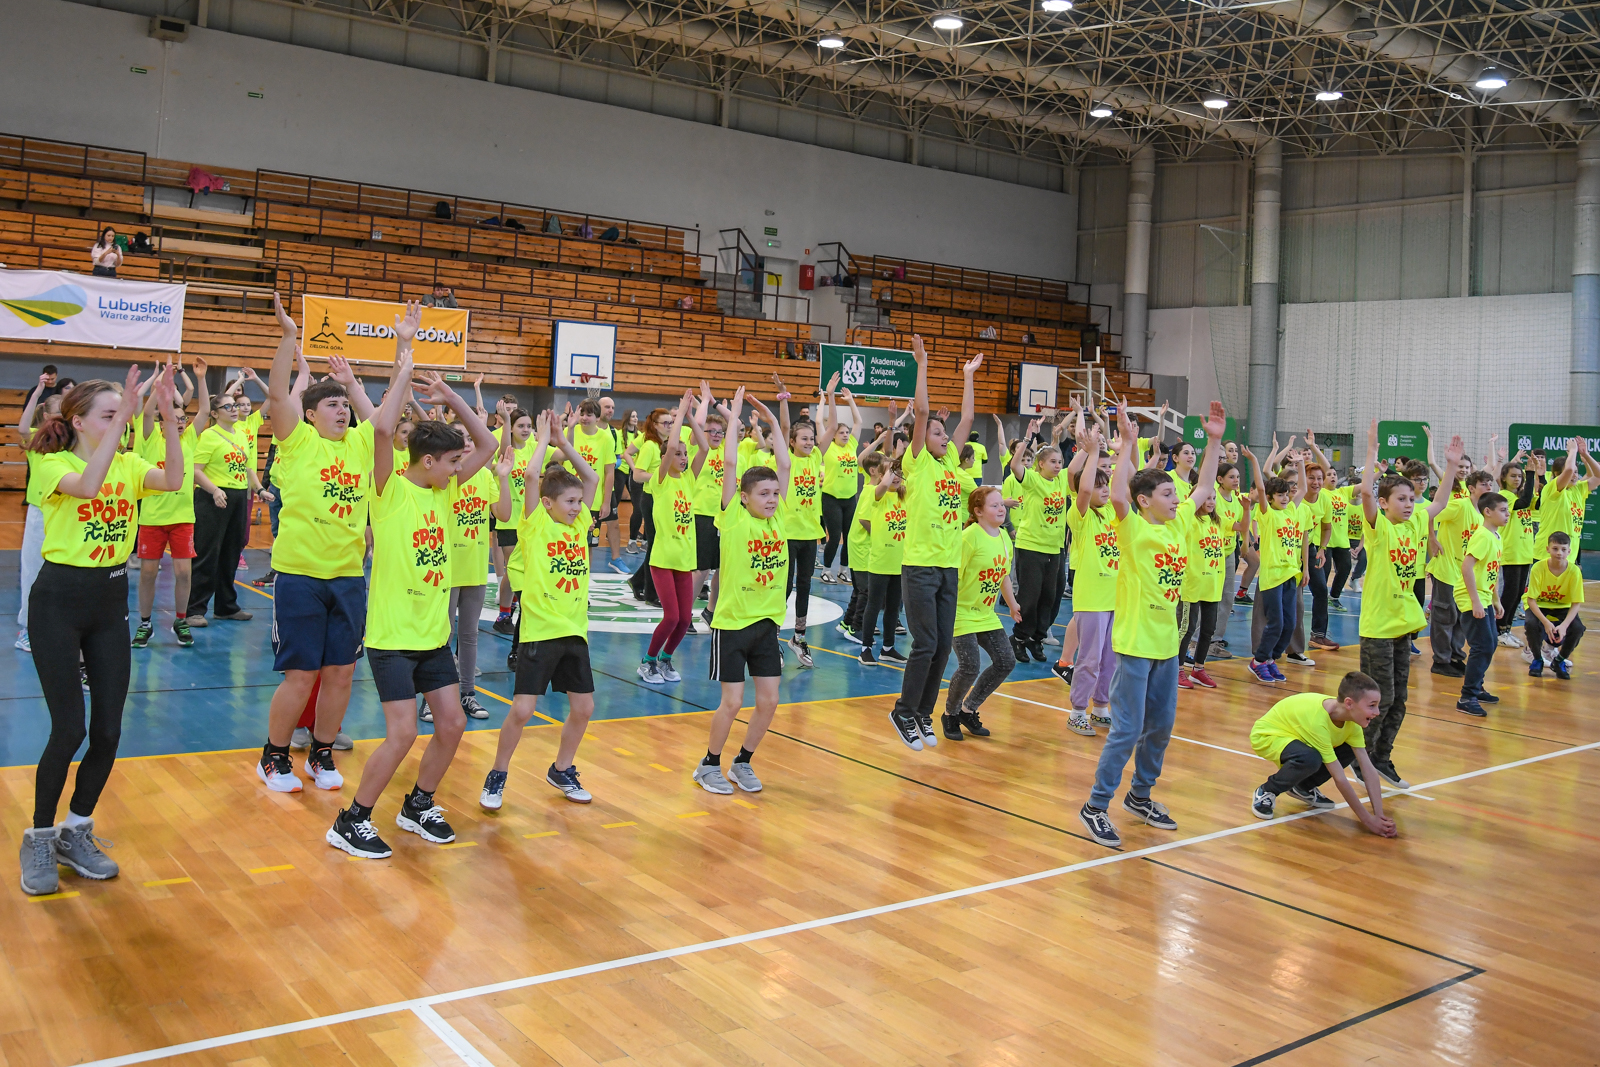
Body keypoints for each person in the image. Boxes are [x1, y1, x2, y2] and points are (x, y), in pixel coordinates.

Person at [18, 364, 186, 896]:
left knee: (109, 731)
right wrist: (126, 416)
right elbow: (89, 488)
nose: (122, 421)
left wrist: (168, 418)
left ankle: (76, 830)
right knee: (69, 729)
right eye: (110, 415)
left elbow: (174, 480)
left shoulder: (130, 464)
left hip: (109, 603)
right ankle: (39, 836)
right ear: (79, 421)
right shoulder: (51, 463)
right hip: (58, 603)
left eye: (123, 414)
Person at [324, 359, 498, 857]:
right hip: (393, 639)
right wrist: (403, 366)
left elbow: (486, 444)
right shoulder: (390, 491)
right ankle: (351, 820)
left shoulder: (445, 493)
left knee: (452, 724)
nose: (459, 469)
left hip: (431, 637)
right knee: (401, 734)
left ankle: (418, 803)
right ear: (427, 461)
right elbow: (382, 429)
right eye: (452, 462)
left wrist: (450, 393)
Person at [254, 294, 392, 795]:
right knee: (301, 675)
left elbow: (383, 420)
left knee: (341, 673)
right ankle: (273, 757)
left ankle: (322, 751)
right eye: (330, 404)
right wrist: (289, 337)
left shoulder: (359, 443)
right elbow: (276, 394)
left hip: (348, 577)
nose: (341, 410)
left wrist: (354, 384)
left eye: (344, 405)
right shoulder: (298, 442)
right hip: (300, 576)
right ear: (309, 414)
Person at [1077, 402, 1224, 849]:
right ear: (1146, 501)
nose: (1177, 499)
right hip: (1136, 645)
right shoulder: (1134, 529)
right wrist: (1124, 444)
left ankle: (1139, 796)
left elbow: (1204, 485)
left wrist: (1214, 441)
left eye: (1175, 495)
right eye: (1166, 494)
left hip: (1166, 647)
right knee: (1127, 729)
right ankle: (1095, 806)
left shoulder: (1178, 526)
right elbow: (1119, 496)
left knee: (1160, 728)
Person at [479, 410, 601, 810]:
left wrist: (565, 444)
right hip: (540, 632)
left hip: (574, 630)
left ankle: (562, 768)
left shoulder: (578, 524)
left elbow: (592, 479)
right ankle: (498, 773)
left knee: (584, 707)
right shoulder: (535, 525)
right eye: (569, 502)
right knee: (523, 709)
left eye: (579, 502)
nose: (577, 507)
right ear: (547, 503)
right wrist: (545, 439)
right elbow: (532, 476)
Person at [1356, 419, 1463, 790]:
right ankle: (1360, 761)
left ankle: (1380, 759)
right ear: (1384, 503)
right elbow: (1366, 493)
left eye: (1411, 499)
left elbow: (1441, 502)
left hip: (1403, 625)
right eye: (1400, 499)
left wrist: (1451, 466)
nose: (1408, 504)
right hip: (1377, 628)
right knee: (1378, 700)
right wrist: (1372, 449)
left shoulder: (1417, 522)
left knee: (1399, 700)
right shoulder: (1379, 528)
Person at [693, 387, 789, 795]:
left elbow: (784, 463)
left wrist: (772, 421)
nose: (772, 499)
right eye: (763, 494)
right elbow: (730, 461)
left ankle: (743, 761)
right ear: (744, 498)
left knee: (769, 701)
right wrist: (733, 417)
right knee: (732, 703)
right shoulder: (733, 517)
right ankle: (708, 764)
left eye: (775, 493)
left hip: (766, 623)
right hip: (732, 624)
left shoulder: (779, 518)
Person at [888, 338, 982, 751]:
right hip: (921, 566)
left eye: (946, 433)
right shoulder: (919, 463)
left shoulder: (949, 465)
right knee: (925, 643)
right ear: (921, 438)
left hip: (948, 566)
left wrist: (967, 377)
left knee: (944, 646)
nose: (945, 436)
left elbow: (968, 417)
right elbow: (923, 412)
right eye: (937, 433)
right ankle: (903, 711)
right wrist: (922, 364)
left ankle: (924, 713)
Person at [1247, 672, 1397, 838]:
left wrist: (1379, 816)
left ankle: (1302, 787)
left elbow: (1367, 769)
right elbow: (1340, 779)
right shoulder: (1319, 722)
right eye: (1372, 705)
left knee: (1348, 748)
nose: (1377, 712)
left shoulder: (1351, 722)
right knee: (1309, 758)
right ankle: (1267, 790)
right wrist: (1368, 821)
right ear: (1349, 703)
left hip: (1299, 737)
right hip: (1268, 734)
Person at [132, 358, 211, 649]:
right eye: (174, 417)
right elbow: (148, 412)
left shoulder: (188, 440)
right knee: (148, 574)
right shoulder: (149, 439)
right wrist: (161, 385)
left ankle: (180, 620)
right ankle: (145, 623)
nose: (179, 422)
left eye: (182, 419)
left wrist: (200, 378)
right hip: (152, 518)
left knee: (183, 573)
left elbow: (205, 411)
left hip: (182, 518)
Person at [638, 390, 709, 684]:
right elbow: (669, 451)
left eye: (684, 454)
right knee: (671, 617)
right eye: (677, 453)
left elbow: (703, 447)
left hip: (684, 558)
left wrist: (690, 416)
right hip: (663, 558)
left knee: (684, 618)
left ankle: (666, 659)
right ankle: (648, 661)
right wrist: (678, 417)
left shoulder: (689, 479)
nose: (682, 457)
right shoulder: (661, 479)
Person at [443, 397, 505, 722]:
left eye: (471, 438)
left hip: (475, 569)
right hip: (446, 569)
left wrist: (503, 476)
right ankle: (434, 700)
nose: (468, 443)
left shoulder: (485, 477)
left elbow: (503, 514)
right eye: (461, 438)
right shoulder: (445, 479)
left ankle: (467, 693)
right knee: (442, 636)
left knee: (469, 636)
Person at [942, 486, 1020, 740]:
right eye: (994, 505)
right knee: (969, 666)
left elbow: (1004, 574)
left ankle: (968, 709)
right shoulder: (968, 538)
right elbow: (952, 579)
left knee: (1006, 661)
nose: (1001, 509)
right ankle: (950, 714)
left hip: (986, 614)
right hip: (961, 613)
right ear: (978, 512)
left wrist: (1012, 604)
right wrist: (945, 612)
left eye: (1002, 505)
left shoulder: (1004, 537)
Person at [772, 372, 836, 667]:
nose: (810, 442)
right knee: (783, 587)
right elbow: (785, 426)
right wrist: (783, 395)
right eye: (804, 439)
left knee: (805, 586)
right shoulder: (786, 459)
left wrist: (831, 395)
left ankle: (798, 637)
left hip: (810, 534)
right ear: (792, 442)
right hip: (787, 533)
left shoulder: (815, 458)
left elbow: (831, 427)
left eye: (812, 438)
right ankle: (773, 636)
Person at [1061, 417, 1118, 736]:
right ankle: (1077, 711)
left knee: (1110, 659)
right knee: (1090, 659)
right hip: (1092, 598)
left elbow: (1126, 479)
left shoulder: (1112, 512)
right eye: (1099, 486)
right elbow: (1081, 486)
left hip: (1115, 598)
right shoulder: (1080, 515)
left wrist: (1124, 443)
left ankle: (1100, 707)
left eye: (1105, 484)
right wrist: (1093, 452)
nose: (1104, 489)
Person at [186, 389, 259, 626]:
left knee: (231, 553)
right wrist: (215, 490)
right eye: (227, 407)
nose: (234, 410)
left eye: (234, 406)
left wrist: (259, 489)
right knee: (207, 553)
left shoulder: (241, 434)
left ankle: (226, 606)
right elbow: (196, 470)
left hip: (238, 497)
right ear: (215, 414)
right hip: (213, 498)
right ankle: (194, 609)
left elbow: (247, 468)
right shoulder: (209, 436)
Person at [1245, 439, 1308, 682]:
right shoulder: (1268, 515)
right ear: (1271, 498)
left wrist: (1300, 464)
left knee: (1289, 623)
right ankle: (1258, 661)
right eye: (1279, 495)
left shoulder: (1291, 510)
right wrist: (1254, 461)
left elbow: (1302, 490)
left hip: (1291, 574)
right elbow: (1261, 490)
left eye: (1286, 494)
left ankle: (1270, 658)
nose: (1284, 498)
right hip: (1272, 576)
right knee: (1277, 623)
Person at [1008, 415, 1069, 663]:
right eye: (1053, 462)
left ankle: (1037, 638)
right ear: (1040, 464)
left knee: (1049, 598)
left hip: (1054, 548)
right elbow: (1014, 465)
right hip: (1031, 546)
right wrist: (1027, 438)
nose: (1058, 466)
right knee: (1030, 598)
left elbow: (1079, 463)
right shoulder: (1033, 480)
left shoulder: (1062, 481)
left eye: (1060, 462)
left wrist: (1090, 443)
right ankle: (1019, 638)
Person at [1428, 468, 1496, 678]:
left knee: (1461, 618)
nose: (1489, 487)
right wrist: (1432, 538)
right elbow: (1430, 513)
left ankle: (1456, 657)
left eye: (1490, 484)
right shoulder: (1459, 505)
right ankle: (1441, 660)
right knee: (1444, 617)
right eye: (1484, 484)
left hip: (1466, 575)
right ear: (1471, 488)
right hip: (1447, 569)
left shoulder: (1485, 513)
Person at [1455, 490, 1508, 716]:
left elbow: (1490, 571)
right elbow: (1467, 567)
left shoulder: (1496, 536)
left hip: (1484, 596)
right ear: (1487, 512)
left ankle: (1477, 687)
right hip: (1470, 596)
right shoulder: (1483, 536)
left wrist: (1495, 599)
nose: (1507, 514)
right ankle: (1467, 697)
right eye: (1503, 510)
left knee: (1491, 643)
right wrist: (1475, 601)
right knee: (1482, 645)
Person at [856, 446, 907, 664]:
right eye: (891, 473)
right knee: (874, 605)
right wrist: (892, 465)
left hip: (900, 561)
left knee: (893, 608)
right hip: (880, 561)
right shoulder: (875, 493)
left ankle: (888, 648)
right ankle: (866, 648)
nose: (896, 477)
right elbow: (884, 485)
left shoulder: (905, 496)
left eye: (899, 473)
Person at [491, 407, 535, 633]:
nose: (525, 430)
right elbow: (503, 448)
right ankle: (505, 615)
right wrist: (506, 420)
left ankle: (510, 611)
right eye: (521, 426)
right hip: (509, 521)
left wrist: (566, 431)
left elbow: (563, 454)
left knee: (522, 568)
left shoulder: (534, 448)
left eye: (529, 426)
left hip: (530, 521)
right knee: (514, 569)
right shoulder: (505, 452)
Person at [1524, 531, 1584, 679]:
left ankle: (1559, 660)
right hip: (1539, 605)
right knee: (1532, 624)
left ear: (1569, 551)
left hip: (1563, 606)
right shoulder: (1538, 568)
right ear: (1547, 549)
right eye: (1555, 548)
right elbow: (1531, 600)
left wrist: (1564, 626)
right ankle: (1537, 659)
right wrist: (1545, 622)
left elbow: (1576, 603)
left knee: (1577, 628)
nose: (1559, 553)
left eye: (1563, 549)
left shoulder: (1574, 571)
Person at [565, 398, 616, 563]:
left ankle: (585, 576)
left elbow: (609, 472)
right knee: (566, 541)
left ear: (597, 418)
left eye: (589, 414)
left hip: (592, 501)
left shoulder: (606, 438)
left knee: (588, 545)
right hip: (568, 498)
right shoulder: (570, 431)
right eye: (582, 414)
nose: (584, 418)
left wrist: (606, 502)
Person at [819, 393, 863, 584]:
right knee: (835, 536)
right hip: (832, 498)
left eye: (847, 432)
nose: (846, 435)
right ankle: (827, 569)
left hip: (850, 499)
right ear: (834, 435)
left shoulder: (851, 446)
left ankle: (843, 570)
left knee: (849, 537)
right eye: (842, 433)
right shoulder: (829, 447)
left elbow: (858, 422)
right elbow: (819, 423)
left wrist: (851, 400)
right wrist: (825, 400)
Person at [1496, 455, 1539, 647]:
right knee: (1510, 592)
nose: (1517, 479)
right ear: (1504, 478)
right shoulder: (1505, 496)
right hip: (1511, 551)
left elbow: (1538, 502)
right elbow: (1524, 502)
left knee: (1519, 592)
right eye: (1513, 476)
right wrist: (1530, 473)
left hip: (1525, 551)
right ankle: (1499, 630)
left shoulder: (1519, 496)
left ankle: (1507, 629)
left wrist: (1539, 475)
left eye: (1519, 476)